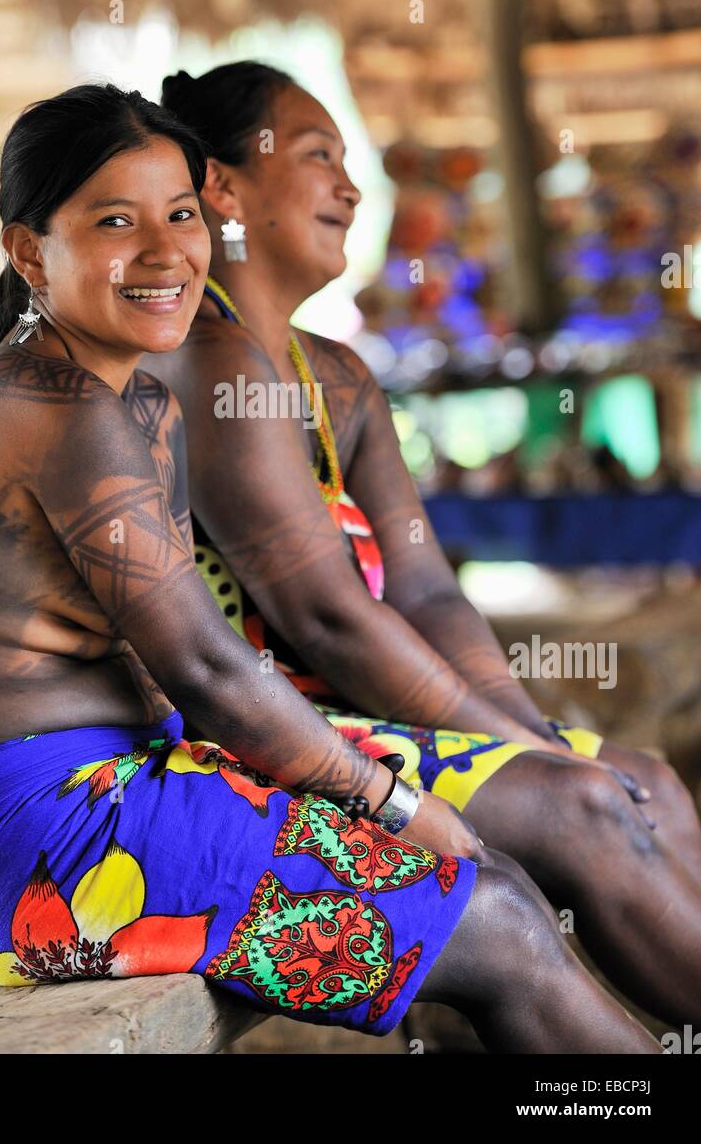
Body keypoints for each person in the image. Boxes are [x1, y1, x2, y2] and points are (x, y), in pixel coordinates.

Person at [0, 83, 656, 1052]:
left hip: (117, 792)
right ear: (30, 251)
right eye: (116, 221)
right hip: (45, 847)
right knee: (494, 921)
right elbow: (206, 667)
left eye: (182, 215)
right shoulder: (66, 412)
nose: (165, 252)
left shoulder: (123, 405)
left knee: (493, 894)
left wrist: (348, 792)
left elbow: (196, 675)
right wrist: (398, 801)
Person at [144, 60, 701, 1029]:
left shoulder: (339, 377)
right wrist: (528, 753)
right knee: (580, 808)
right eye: (318, 157)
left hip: (366, 721)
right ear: (222, 188)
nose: (350, 188)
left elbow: (427, 590)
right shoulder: (206, 351)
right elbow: (327, 616)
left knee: (639, 777)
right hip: (258, 741)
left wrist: (520, 725)